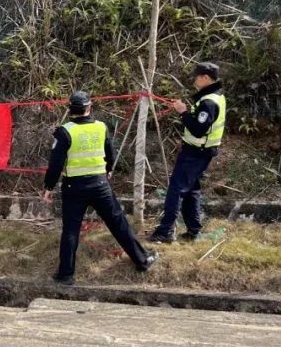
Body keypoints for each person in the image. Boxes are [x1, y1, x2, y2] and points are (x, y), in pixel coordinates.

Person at [43, 91, 158, 285]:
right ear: (89, 108)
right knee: (118, 223)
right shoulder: (101, 127)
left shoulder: (65, 131)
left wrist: (49, 187)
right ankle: (142, 259)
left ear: (70, 110)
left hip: (74, 187)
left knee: (71, 230)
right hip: (99, 184)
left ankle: (65, 275)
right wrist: (109, 169)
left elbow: (55, 164)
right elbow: (110, 151)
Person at [148, 62, 226, 244]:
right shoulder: (214, 97)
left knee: (176, 189)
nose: (194, 80)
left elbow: (199, 129)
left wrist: (183, 113)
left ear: (206, 78)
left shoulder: (208, 102)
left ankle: (165, 231)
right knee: (192, 190)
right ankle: (193, 230)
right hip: (200, 152)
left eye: (197, 76)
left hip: (196, 153)